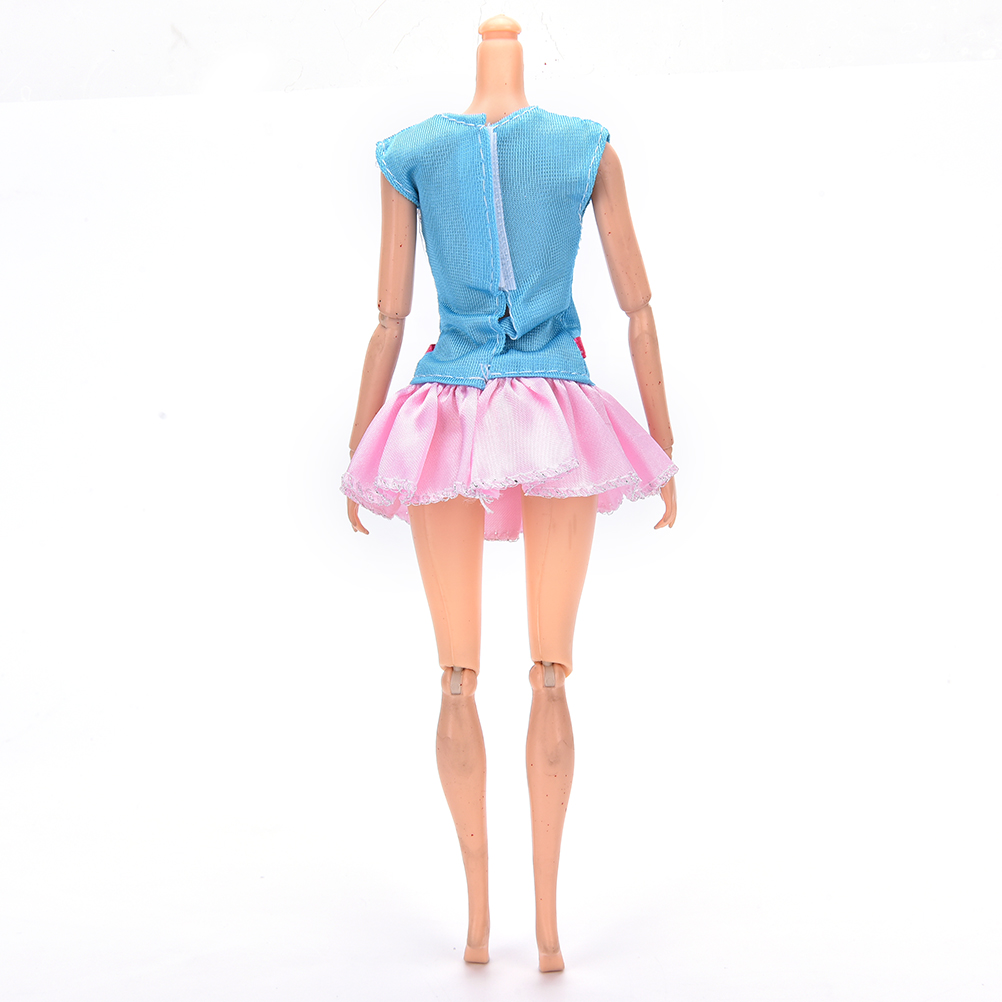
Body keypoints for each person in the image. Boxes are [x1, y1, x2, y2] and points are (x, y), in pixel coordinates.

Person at [341, 15, 678, 972]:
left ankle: (485, 925)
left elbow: (388, 318)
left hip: (444, 410)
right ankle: (547, 930)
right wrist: (663, 441)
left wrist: (360, 447)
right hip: (557, 407)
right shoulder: (582, 146)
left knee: (457, 675)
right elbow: (639, 309)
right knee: (551, 670)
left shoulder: (414, 151)